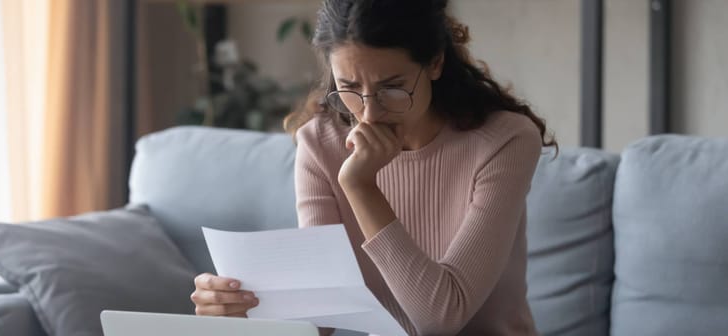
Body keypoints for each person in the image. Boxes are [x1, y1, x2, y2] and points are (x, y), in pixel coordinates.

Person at [191, 0, 557, 335]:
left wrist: (361, 186)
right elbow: (323, 320)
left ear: (435, 62)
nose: (368, 114)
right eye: (348, 87)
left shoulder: (504, 141)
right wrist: (243, 313)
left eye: (393, 87)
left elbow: (441, 317)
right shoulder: (320, 142)